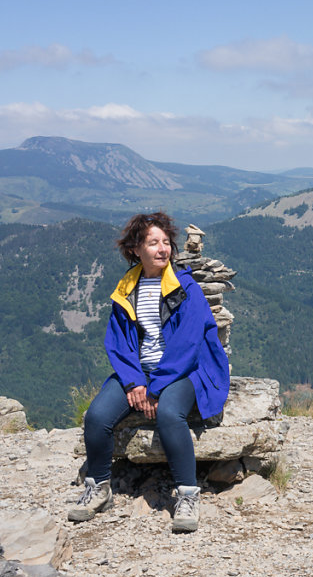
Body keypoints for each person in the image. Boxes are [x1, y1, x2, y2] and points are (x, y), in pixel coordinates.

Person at [68, 212, 230, 533]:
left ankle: (186, 494)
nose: (162, 249)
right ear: (136, 250)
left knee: (170, 413)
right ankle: (99, 487)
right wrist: (133, 381)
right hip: (139, 371)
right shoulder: (127, 288)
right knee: (97, 416)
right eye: (153, 242)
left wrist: (154, 387)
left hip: (183, 371)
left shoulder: (184, 287)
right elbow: (118, 341)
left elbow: (187, 344)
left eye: (166, 242)